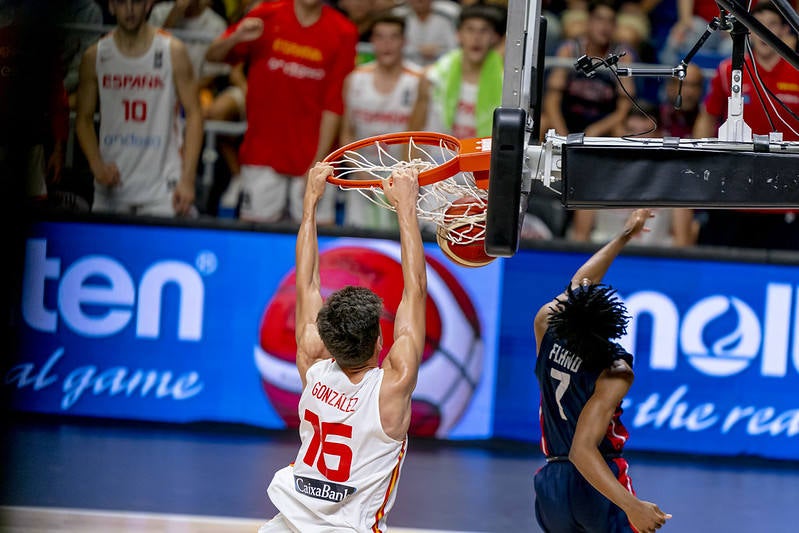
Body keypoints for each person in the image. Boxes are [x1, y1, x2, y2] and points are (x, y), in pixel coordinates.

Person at [259, 163, 427, 532]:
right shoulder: (392, 387)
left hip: (286, 523)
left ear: (330, 343)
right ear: (380, 340)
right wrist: (406, 208)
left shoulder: (314, 367)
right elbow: (414, 289)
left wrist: (310, 202)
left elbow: (307, 284)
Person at [533, 208, 673, 533]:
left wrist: (624, 235)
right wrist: (632, 505)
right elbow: (582, 450)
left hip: (552, 482)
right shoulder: (614, 369)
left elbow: (580, 283)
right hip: (595, 481)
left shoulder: (547, 325)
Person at [205, 0, 358, 224]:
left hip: (313, 157)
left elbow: (334, 105)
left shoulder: (344, 31)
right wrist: (236, 37)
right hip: (262, 153)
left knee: (317, 239)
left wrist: (319, 163)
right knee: (256, 240)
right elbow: (213, 56)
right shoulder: (265, 15)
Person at [75, 0, 203, 217]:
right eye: (122, 3)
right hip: (112, 185)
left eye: (136, 2)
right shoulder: (95, 56)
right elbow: (83, 119)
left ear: (148, 5)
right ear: (111, 6)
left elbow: (194, 114)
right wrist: (96, 165)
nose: (130, 10)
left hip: (163, 188)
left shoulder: (173, 50)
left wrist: (188, 179)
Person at [691, 1, 799, 250]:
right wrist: (700, 161)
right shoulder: (729, 71)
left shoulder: (796, 72)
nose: (764, 33)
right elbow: (707, 117)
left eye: (771, 26)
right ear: (748, 31)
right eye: (757, 26)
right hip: (734, 192)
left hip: (785, 195)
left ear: (785, 30)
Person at [339, 13, 424, 230]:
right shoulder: (355, 79)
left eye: (393, 37)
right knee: (358, 241)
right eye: (381, 37)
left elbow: (418, 135)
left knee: (400, 241)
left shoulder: (417, 80)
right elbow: (346, 133)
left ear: (404, 42)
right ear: (372, 42)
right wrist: (360, 173)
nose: (387, 44)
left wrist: (403, 178)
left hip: (403, 175)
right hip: (362, 175)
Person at [543, 0, 636, 137]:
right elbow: (552, 100)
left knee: (620, 131)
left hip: (601, 124)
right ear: (588, 22)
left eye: (610, 21)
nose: (604, 27)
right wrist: (562, 135)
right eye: (599, 19)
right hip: (568, 119)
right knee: (543, 123)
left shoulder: (621, 55)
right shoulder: (569, 50)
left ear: (615, 26)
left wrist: (598, 129)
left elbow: (624, 107)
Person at [416, 3, 506, 139]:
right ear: (458, 35)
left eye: (484, 31)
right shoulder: (432, 77)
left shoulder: (507, 82)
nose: (477, 37)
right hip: (439, 157)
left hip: (484, 157)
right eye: (470, 30)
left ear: (494, 37)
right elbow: (415, 129)